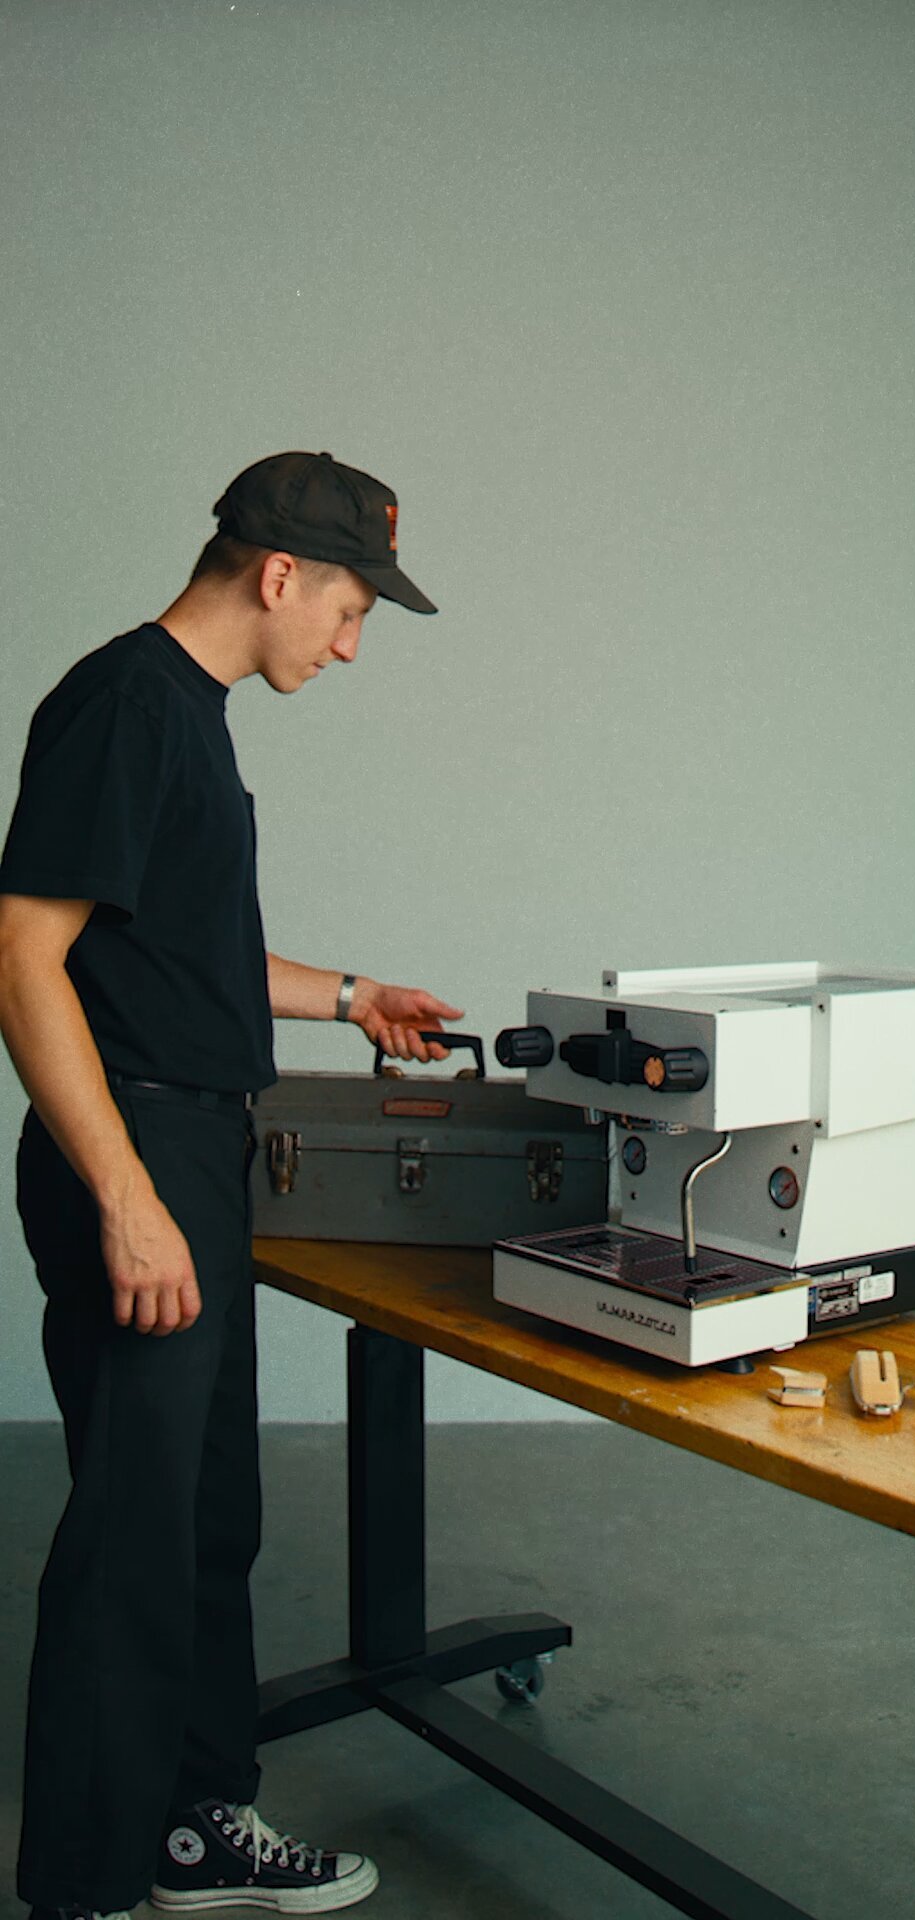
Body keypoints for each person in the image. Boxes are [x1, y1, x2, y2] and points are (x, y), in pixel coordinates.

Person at [0, 450, 464, 1918]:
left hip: (194, 1144)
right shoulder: (127, 703)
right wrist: (129, 1199)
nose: (348, 641)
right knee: (136, 1531)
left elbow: (173, 952)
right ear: (279, 573)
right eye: (347, 609)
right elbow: (24, 957)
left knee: (205, 1516)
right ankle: (79, 1885)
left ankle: (195, 1823)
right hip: (130, 1154)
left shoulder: (184, 719)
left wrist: (350, 994)